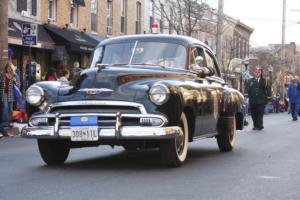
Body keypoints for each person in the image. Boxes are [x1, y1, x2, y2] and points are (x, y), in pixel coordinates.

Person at [244, 65, 272, 130]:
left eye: (258, 72)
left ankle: (260, 125)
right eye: (256, 72)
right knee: (253, 114)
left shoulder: (265, 81)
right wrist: (245, 96)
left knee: (260, 113)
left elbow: (268, 90)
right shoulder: (250, 81)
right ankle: (255, 125)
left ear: (260, 73)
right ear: (254, 73)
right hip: (252, 100)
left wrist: (269, 99)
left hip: (261, 100)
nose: (257, 73)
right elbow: (247, 89)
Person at [0, 62, 21, 128]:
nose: (8, 69)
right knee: (5, 107)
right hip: (4, 93)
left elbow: (19, 84)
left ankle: (10, 122)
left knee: (10, 108)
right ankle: (5, 122)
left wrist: (15, 82)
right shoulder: (2, 75)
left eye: (10, 68)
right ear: (6, 68)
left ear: (12, 69)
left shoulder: (14, 75)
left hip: (11, 93)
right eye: (7, 68)